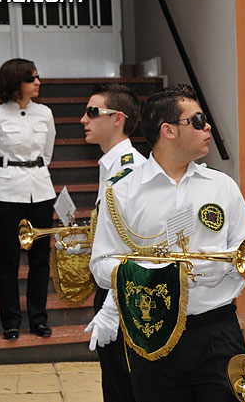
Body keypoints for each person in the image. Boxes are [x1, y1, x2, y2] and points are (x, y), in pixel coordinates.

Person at [89, 83, 245, 401]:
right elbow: (101, 265)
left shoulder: (221, 185)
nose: (207, 127)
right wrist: (157, 270)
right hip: (152, 331)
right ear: (167, 130)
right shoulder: (123, 192)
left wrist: (218, 265)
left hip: (216, 330)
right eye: (196, 121)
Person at [0, 58, 56, 340]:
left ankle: (38, 318)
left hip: (41, 191)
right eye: (31, 78)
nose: (38, 83)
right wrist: (7, 176)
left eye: (37, 77)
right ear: (16, 82)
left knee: (40, 260)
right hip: (7, 193)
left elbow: (46, 154)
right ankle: (10, 320)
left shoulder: (45, 113)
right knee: (9, 260)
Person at [80, 83, 145, 402]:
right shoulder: (111, 165)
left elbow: (135, 245)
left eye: (93, 112)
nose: (83, 119)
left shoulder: (131, 169)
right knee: (115, 379)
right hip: (113, 284)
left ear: (118, 118)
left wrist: (111, 307)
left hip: (124, 290)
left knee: (125, 381)